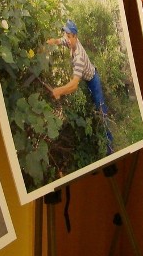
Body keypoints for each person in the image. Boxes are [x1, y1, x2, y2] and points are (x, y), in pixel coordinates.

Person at [47, 20, 113, 155]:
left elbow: (74, 85)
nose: (67, 38)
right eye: (66, 35)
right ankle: (98, 132)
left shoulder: (79, 57)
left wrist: (59, 90)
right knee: (94, 108)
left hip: (93, 80)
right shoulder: (70, 41)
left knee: (101, 110)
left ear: (76, 36)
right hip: (87, 79)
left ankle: (110, 147)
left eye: (70, 36)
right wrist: (48, 43)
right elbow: (59, 41)